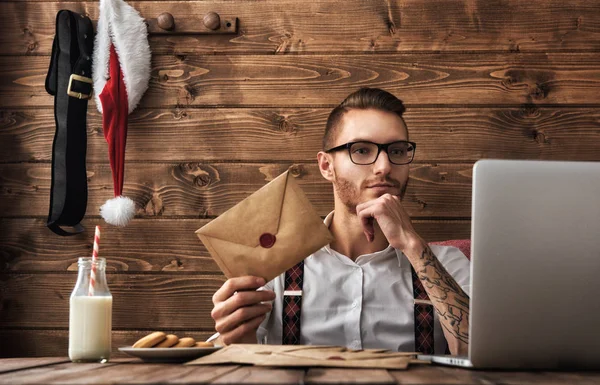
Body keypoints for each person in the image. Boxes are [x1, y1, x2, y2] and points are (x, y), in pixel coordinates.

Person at [210, 88, 470, 355]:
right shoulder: (275, 266)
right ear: (326, 166)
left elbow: (481, 356)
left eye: (397, 150)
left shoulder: (448, 264)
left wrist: (414, 247)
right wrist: (235, 338)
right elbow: (234, 363)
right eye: (361, 150)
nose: (384, 166)